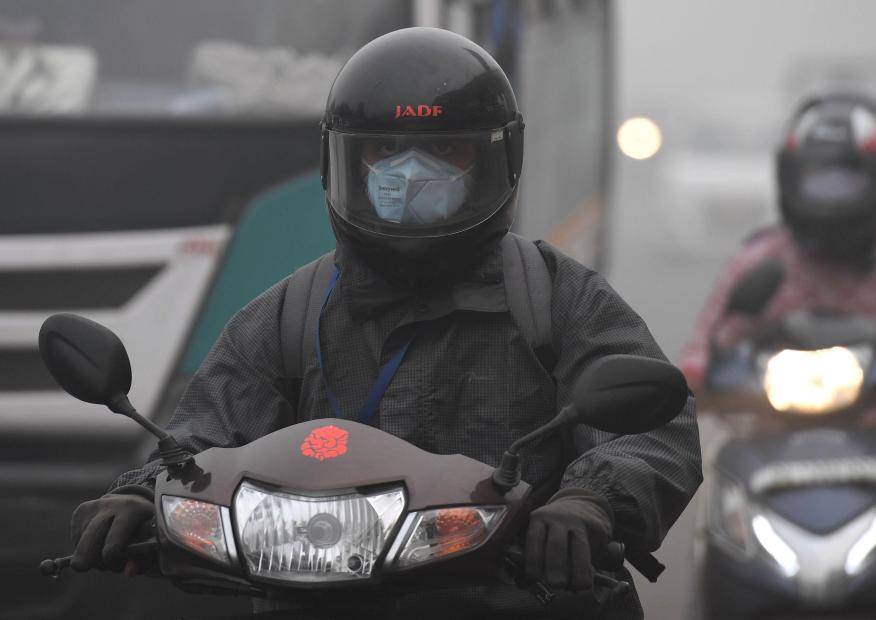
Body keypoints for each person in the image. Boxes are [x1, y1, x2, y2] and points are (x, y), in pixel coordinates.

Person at [67, 27, 702, 619]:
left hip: (512, 602)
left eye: (442, 150)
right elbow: (202, 441)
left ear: (496, 161)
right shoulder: (293, 310)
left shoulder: (558, 298)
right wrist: (141, 494)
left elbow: (657, 430)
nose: (410, 172)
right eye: (385, 152)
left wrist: (589, 502)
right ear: (341, 164)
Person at [680, 92, 876, 429]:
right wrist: (690, 379)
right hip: (771, 443)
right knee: (703, 470)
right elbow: (708, 345)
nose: (832, 196)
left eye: (846, 178)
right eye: (819, 177)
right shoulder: (762, 260)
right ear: (788, 177)